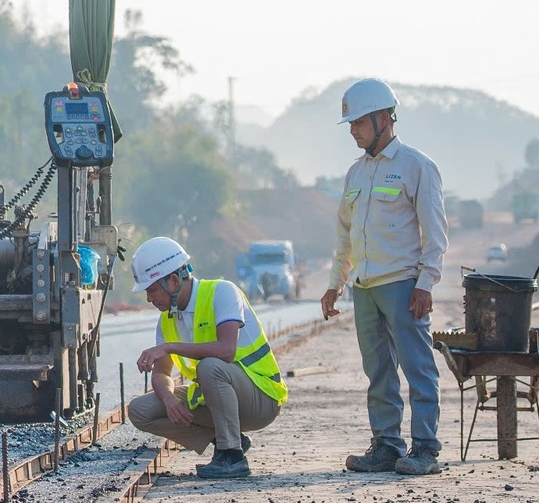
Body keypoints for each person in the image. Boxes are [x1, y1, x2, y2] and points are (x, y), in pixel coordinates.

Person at [320, 78, 449, 476]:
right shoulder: (355, 174)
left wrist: (425, 283)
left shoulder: (417, 167)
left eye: (358, 123)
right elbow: (345, 234)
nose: (353, 131)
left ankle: (425, 447)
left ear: (381, 118)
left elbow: (435, 233)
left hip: (403, 286)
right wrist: (335, 284)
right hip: (365, 288)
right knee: (377, 370)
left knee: (417, 367)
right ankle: (387, 445)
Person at [127, 236, 289, 479]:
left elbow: (226, 351)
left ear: (173, 280)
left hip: (261, 398)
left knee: (210, 366)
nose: (149, 298)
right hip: (217, 400)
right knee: (140, 410)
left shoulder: (222, 292)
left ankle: (232, 456)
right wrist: (169, 400)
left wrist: (170, 346)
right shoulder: (167, 319)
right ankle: (227, 440)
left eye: (151, 290)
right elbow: (161, 373)